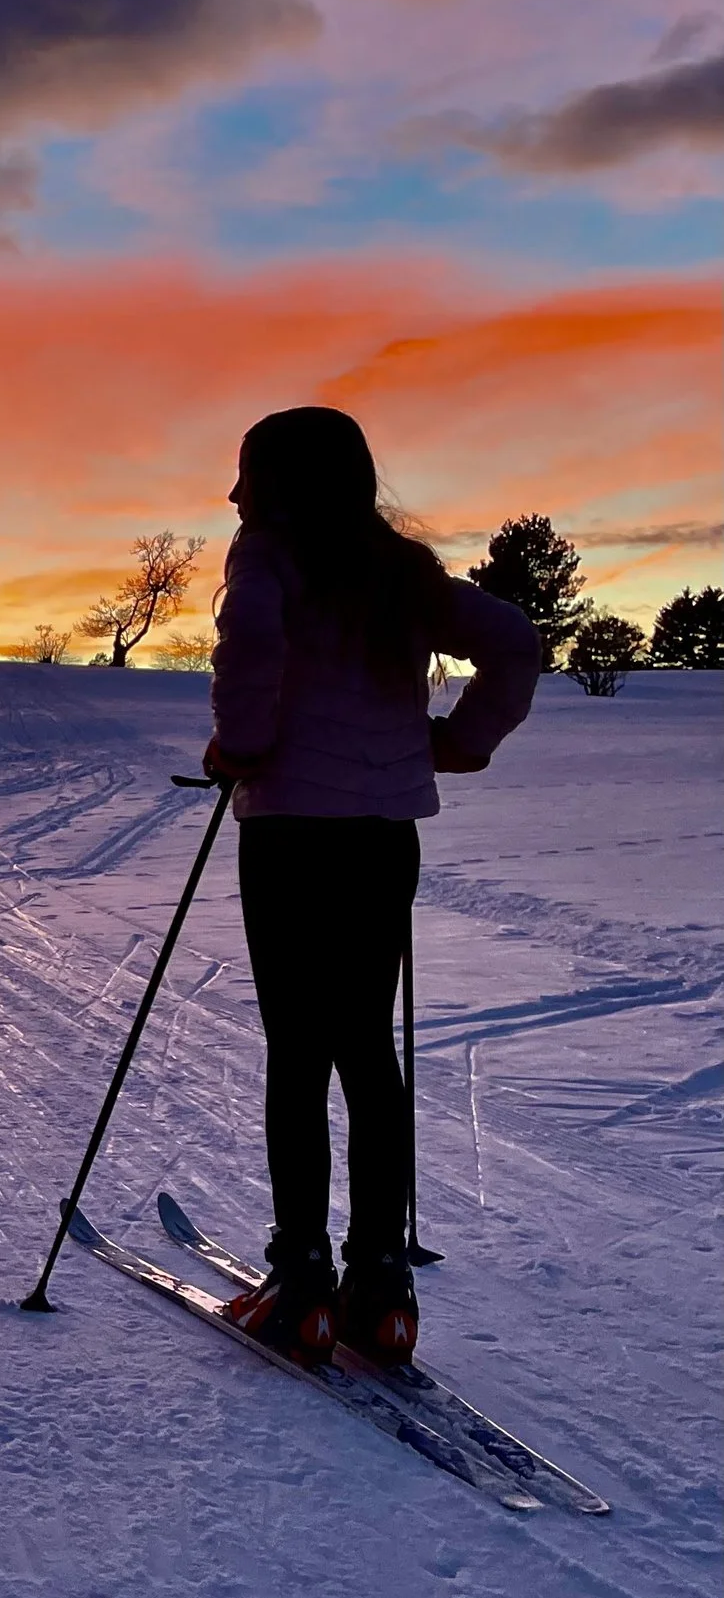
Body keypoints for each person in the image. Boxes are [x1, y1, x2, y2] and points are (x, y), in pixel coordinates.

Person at [204, 407, 538, 1365]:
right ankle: (382, 1291)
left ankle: (303, 1285)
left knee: (297, 1050)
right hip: (385, 836)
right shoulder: (401, 571)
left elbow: (253, 648)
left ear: (276, 484)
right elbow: (515, 645)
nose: (233, 496)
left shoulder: (265, 557)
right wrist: (458, 744)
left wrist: (244, 746)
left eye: (245, 475)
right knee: (368, 1048)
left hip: (290, 835)